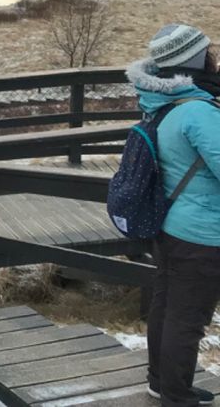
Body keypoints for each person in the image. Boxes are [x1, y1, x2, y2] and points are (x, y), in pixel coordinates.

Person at [131, 24, 220, 407]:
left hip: (171, 226)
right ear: (195, 60)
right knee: (187, 320)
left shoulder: (164, 101)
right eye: (207, 50)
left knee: (167, 308)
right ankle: (176, 396)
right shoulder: (199, 112)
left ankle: (162, 383)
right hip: (201, 234)